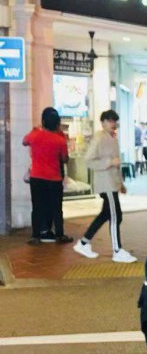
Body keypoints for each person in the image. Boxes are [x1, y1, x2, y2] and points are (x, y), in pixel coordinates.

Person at [73, 110, 137, 263]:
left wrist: (120, 183)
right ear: (103, 122)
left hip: (112, 183)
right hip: (105, 183)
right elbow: (89, 160)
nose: (113, 124)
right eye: (109, 121)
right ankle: (117, 250)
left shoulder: (112, 137)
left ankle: (84, 243)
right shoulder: (99, 138)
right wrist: (109, 162)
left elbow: (116, 163)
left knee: (106, 214)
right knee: (115, 216)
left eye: (114, 121)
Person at [22, 107, 73, 244]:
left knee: (37, 207)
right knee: (57, 208)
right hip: (54, 178)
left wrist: (37, 130)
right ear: (57, 124)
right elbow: (65, 159)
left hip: (36, 177)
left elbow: (24, 142)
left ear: (43, 122)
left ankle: (35, 236)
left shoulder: (34, 135)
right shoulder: (60, 140)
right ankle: (60, 235)